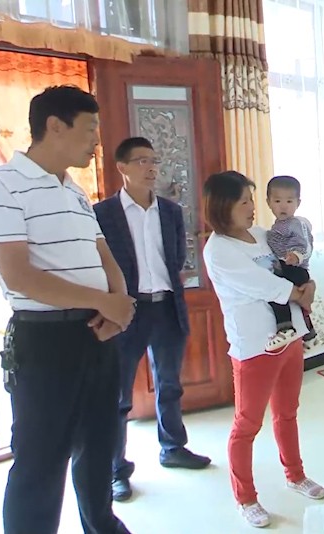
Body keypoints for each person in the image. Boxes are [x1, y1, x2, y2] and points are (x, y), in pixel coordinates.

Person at [0, 85, 135, 534]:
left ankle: (102, 525)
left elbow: (104, 257)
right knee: (41, 460)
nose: (96, 140)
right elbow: (20, 277)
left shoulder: (75, 191)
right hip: (44, 340)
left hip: (97, 333)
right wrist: (105, 302)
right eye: (90, 128)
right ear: (55, 126)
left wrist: (118, 309)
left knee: (99, 448)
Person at [201, 170, 324, 529]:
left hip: (289, 337)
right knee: (247, 424)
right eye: (244, 201)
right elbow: (264, 284)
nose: (252, 207)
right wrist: (299, 293)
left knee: (287, 412)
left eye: (252, 200)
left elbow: (295, 263)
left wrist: (308, 284)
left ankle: (295, 474)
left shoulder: (260, 235)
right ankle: (246, 498)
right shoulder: (219, 250)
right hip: (255, 347)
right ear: (223, 207)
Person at [93, 137, 211, 503]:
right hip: (126, 310)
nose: (151, 167)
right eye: (142, 161)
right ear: (122, 168)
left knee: (170, 384)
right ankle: (115, 470)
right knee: (118, 395)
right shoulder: (103, 213)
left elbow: (176, 259)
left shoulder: (171, 211)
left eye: (154, 160)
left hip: (166, 307)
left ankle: (173, 448)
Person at [264, 174, 317, 351]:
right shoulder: (278, 225)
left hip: (295, 268)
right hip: (289, 267)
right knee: (295, 301)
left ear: (298, 203)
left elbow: (305, 245)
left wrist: (296, 255)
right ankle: (310, 334)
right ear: (269, 203)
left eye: (289, 201)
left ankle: (285, 328)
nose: (283, 206)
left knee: (276, 292)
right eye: (277, 201)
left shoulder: (295, 224)